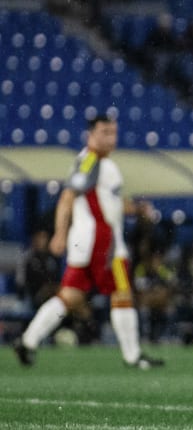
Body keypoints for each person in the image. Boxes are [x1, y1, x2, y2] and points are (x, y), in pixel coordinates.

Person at [13, 116, 164, 369]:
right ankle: (133, 355)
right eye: (104, 132)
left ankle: (27, 341)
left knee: (69, 296)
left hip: (88, 242)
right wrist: (60, 233)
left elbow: (111, 203)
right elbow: (68, 197)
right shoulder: (90, 161)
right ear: (90, 135)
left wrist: (136, 208)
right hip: (102, 242)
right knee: (122, 294)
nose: (111, 138)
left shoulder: (104, 165)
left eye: (114, 132)